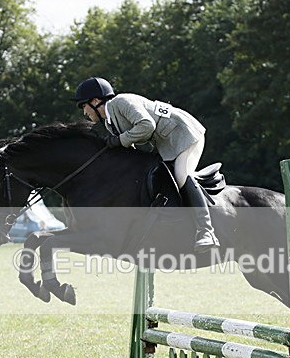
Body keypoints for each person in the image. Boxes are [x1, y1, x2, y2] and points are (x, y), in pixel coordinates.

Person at [73, 77, 219, 253]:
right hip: (166, 144)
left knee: (181, 174)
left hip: (185, 134)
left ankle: (206, 231)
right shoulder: (110, 121)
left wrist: (120, 140)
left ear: (95, 101)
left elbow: (146, 125)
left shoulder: (120, 102)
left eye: (84, 106)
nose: (84, 112)